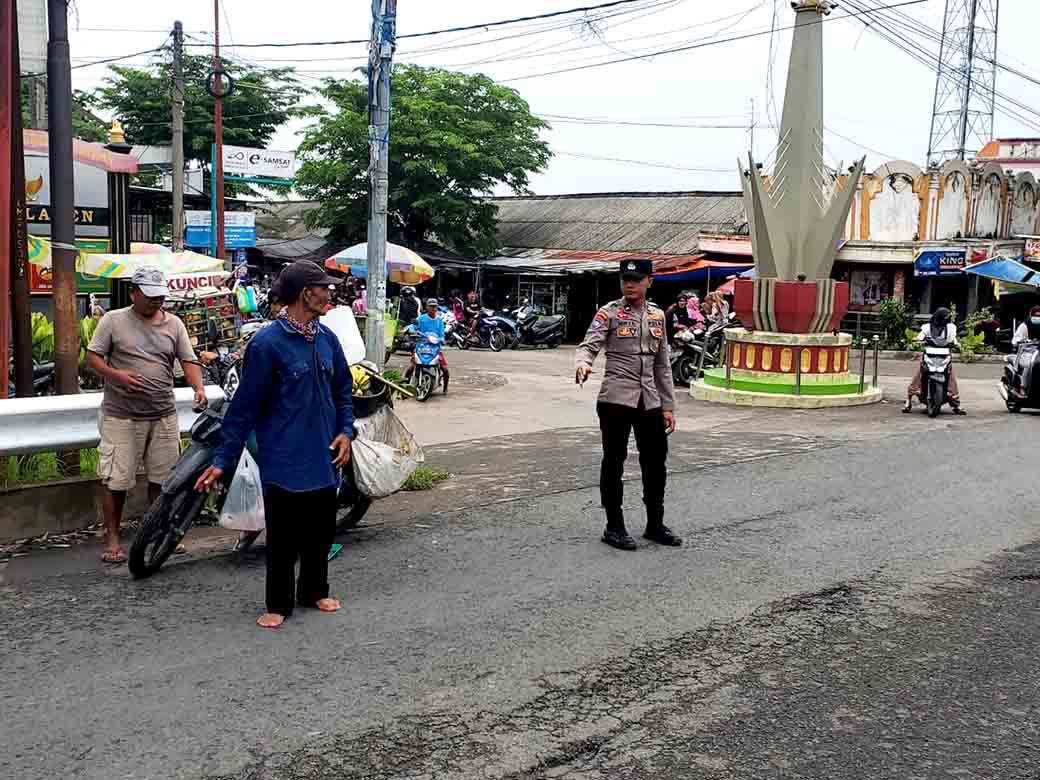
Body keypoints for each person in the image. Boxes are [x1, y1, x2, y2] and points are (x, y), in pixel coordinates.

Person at [195, 260, 356, 629]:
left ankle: (314, 590)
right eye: (324, 288)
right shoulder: (267, 344)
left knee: (320, 530)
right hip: (282, 457)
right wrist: (224, 459)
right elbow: (245, 407)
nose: (329, 293)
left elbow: (343, 392)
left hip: (324, 454)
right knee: (283, 536)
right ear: (305, 293)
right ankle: (278, 603)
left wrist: (346, 431)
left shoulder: (328, 339)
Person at [86, 266, 207, 564]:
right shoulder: (113, 321)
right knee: (116, 479)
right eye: (151, 296)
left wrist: (198, 388)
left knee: (164, 479)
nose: (157, 302)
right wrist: (117, 376)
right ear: (134, 293)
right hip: (121, 415)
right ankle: (112, 539)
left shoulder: (174, 324)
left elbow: (187, 359)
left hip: (162, 413)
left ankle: (159, 531)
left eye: (161, 297)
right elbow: (92, 358)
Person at [575, 258, 681, 551]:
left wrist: (668, 406)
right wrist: (583, 365)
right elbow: (588, 346)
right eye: (625, 280)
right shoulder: (608, 313)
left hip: (649, 401)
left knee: (656, 463)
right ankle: (614, 526)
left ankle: (655, 524)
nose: (630, 284)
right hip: (616, 399)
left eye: (636, 279)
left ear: (649, 281)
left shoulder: (658, 316)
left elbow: (663, 366)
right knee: (614, 462)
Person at [903, 307, 965, 415]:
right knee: (920, 373)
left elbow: (954, 339)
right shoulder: (927, 327)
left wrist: (956, 344)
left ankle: (956, 404)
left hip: (944, 355)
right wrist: (918, 340)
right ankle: (909, 400)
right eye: (944, 317)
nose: (945, 319)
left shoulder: (951, 328)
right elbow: (921, 336)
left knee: (950, 376)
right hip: (929, 354)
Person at [405, 298, 450, 393]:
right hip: (421, 346)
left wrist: (442, 339)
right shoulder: (421, 318)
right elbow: (413, 326)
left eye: (435, 306)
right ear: (427, 307)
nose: (433, 308)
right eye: (431, 306)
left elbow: (442, 334)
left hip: (435, 347)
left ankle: (445, 388)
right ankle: (404, 386)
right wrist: (411, 330)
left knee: (445, 369)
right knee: (411, 367)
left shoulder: (439, 321)